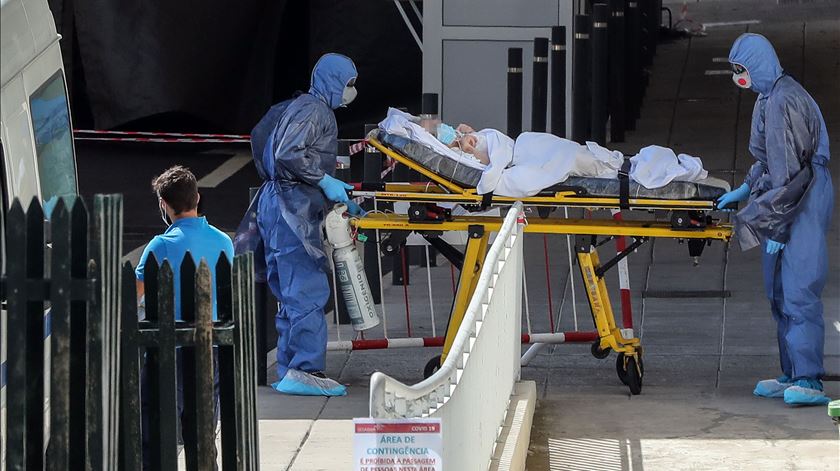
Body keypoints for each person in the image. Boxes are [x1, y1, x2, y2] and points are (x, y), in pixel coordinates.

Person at [717, 33, 833, 406]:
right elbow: (768, 163)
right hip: (785, 195)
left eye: (742, 69)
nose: (739, 77)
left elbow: (791, 175)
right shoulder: (767, 99)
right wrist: (747, 188)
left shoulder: (785, 100)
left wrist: (779, 225)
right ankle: (791, 373)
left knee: (800, 288)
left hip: (804, 196)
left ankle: (808, 378)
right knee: (778, 291)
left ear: (757, 65)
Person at [250, 53, 361, 397]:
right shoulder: (315, 111)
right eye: (349, 84)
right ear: (334, 81)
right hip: (291, 209)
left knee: (289, 293)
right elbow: (289, 154)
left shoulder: (297, 106)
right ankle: (305, 370)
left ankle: (289, 369)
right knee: (307, 291)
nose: (351, 91)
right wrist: (324, 180)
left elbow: (264, 139)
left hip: (277, 203)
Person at [135, 165, 234, 468]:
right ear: (197, 197)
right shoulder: (223, 242)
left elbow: (133, 294)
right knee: (203, 431)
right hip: (211, 347)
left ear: (164, 205)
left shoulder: (161, 245)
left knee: (158, 429)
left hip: (169, 349)